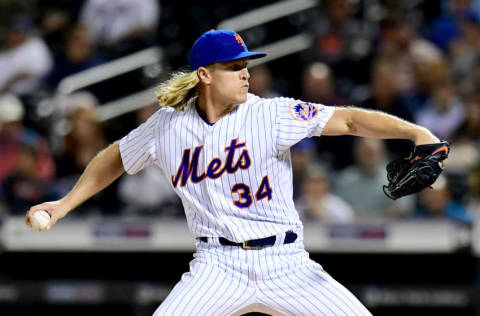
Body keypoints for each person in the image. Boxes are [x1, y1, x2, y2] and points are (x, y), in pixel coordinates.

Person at [26, 29, 442, 315]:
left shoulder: (271, 113)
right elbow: (115, 156)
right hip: (216, 265)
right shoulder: (167, 125)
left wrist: (416, 132)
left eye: (246, 63)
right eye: (232, 66)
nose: (245, 72)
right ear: (204, 75)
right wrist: (63, 205)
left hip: (287, 263)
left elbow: (349, 120)